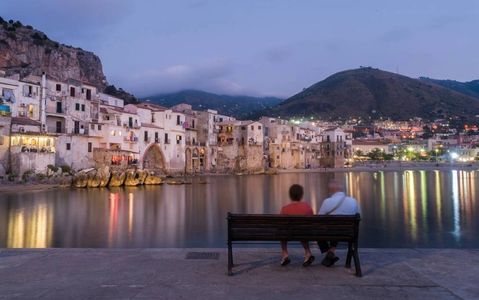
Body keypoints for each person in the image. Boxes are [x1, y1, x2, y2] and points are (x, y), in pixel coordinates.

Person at [318, 179, 360, 267]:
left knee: (321, 229)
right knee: (337, 228)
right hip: (349, 234)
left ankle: (330, 251)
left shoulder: (327, 202)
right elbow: (358, 216)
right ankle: (331, 251)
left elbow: (319, 219)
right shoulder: (353, 201)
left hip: (331, 233)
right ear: (342, 190)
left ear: (331, 191)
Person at [279, 184, 315, 267]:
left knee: (281, 231)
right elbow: (312, 221)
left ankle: (285, 254)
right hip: (305, 232)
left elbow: (281, 224)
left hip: (289, 233)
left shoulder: (285, 208)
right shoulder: (307, 207)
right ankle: (308, 252)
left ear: (290, 195)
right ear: (301, 195)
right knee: (302, 230)